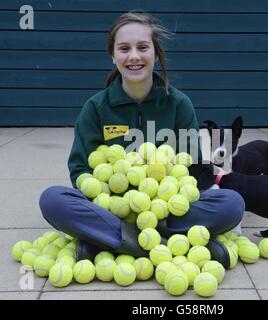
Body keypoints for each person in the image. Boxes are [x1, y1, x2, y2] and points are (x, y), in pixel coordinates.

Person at [39, 11, 245, 269]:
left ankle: (105, 240)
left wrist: (162, 198)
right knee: (52, 200)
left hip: (167, 208)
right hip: (112, 207)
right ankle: (178, 243)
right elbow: (80, 169)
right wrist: (120, 199)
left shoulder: (179, 104)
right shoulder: (95, 108)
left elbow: (193, 167)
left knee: (233, 203)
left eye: (142, 47)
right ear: (113, 56)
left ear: (156, 54)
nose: (134, 56)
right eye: (124, 48)